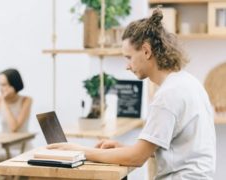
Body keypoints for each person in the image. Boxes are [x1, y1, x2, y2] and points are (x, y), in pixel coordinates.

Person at [47, 9, 216, 180]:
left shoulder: (167, 95)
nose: (127, 66)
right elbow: (178, 150)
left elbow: (137, 158)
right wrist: (125, 148)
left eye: (128, 57)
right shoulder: (188, 82)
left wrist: (81, 151)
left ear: (146, 51)